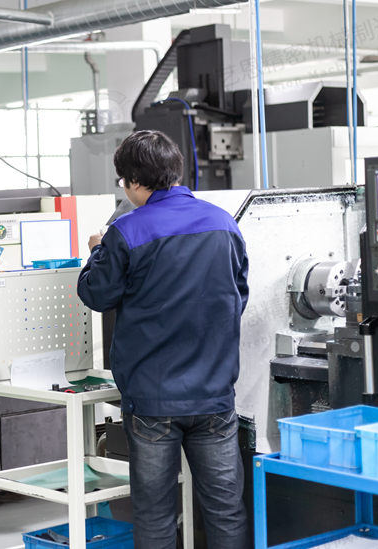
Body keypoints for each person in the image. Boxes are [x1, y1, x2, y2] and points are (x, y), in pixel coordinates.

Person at [77, 129, 249, 549]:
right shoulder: (224, 223)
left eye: (123, 181)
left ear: (135, 181)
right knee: (226, 509)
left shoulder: (126, 231)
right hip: (214, 396)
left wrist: (97, 251)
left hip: (153, 401)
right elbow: (238, 295)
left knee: (155, 514)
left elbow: (96, 294)